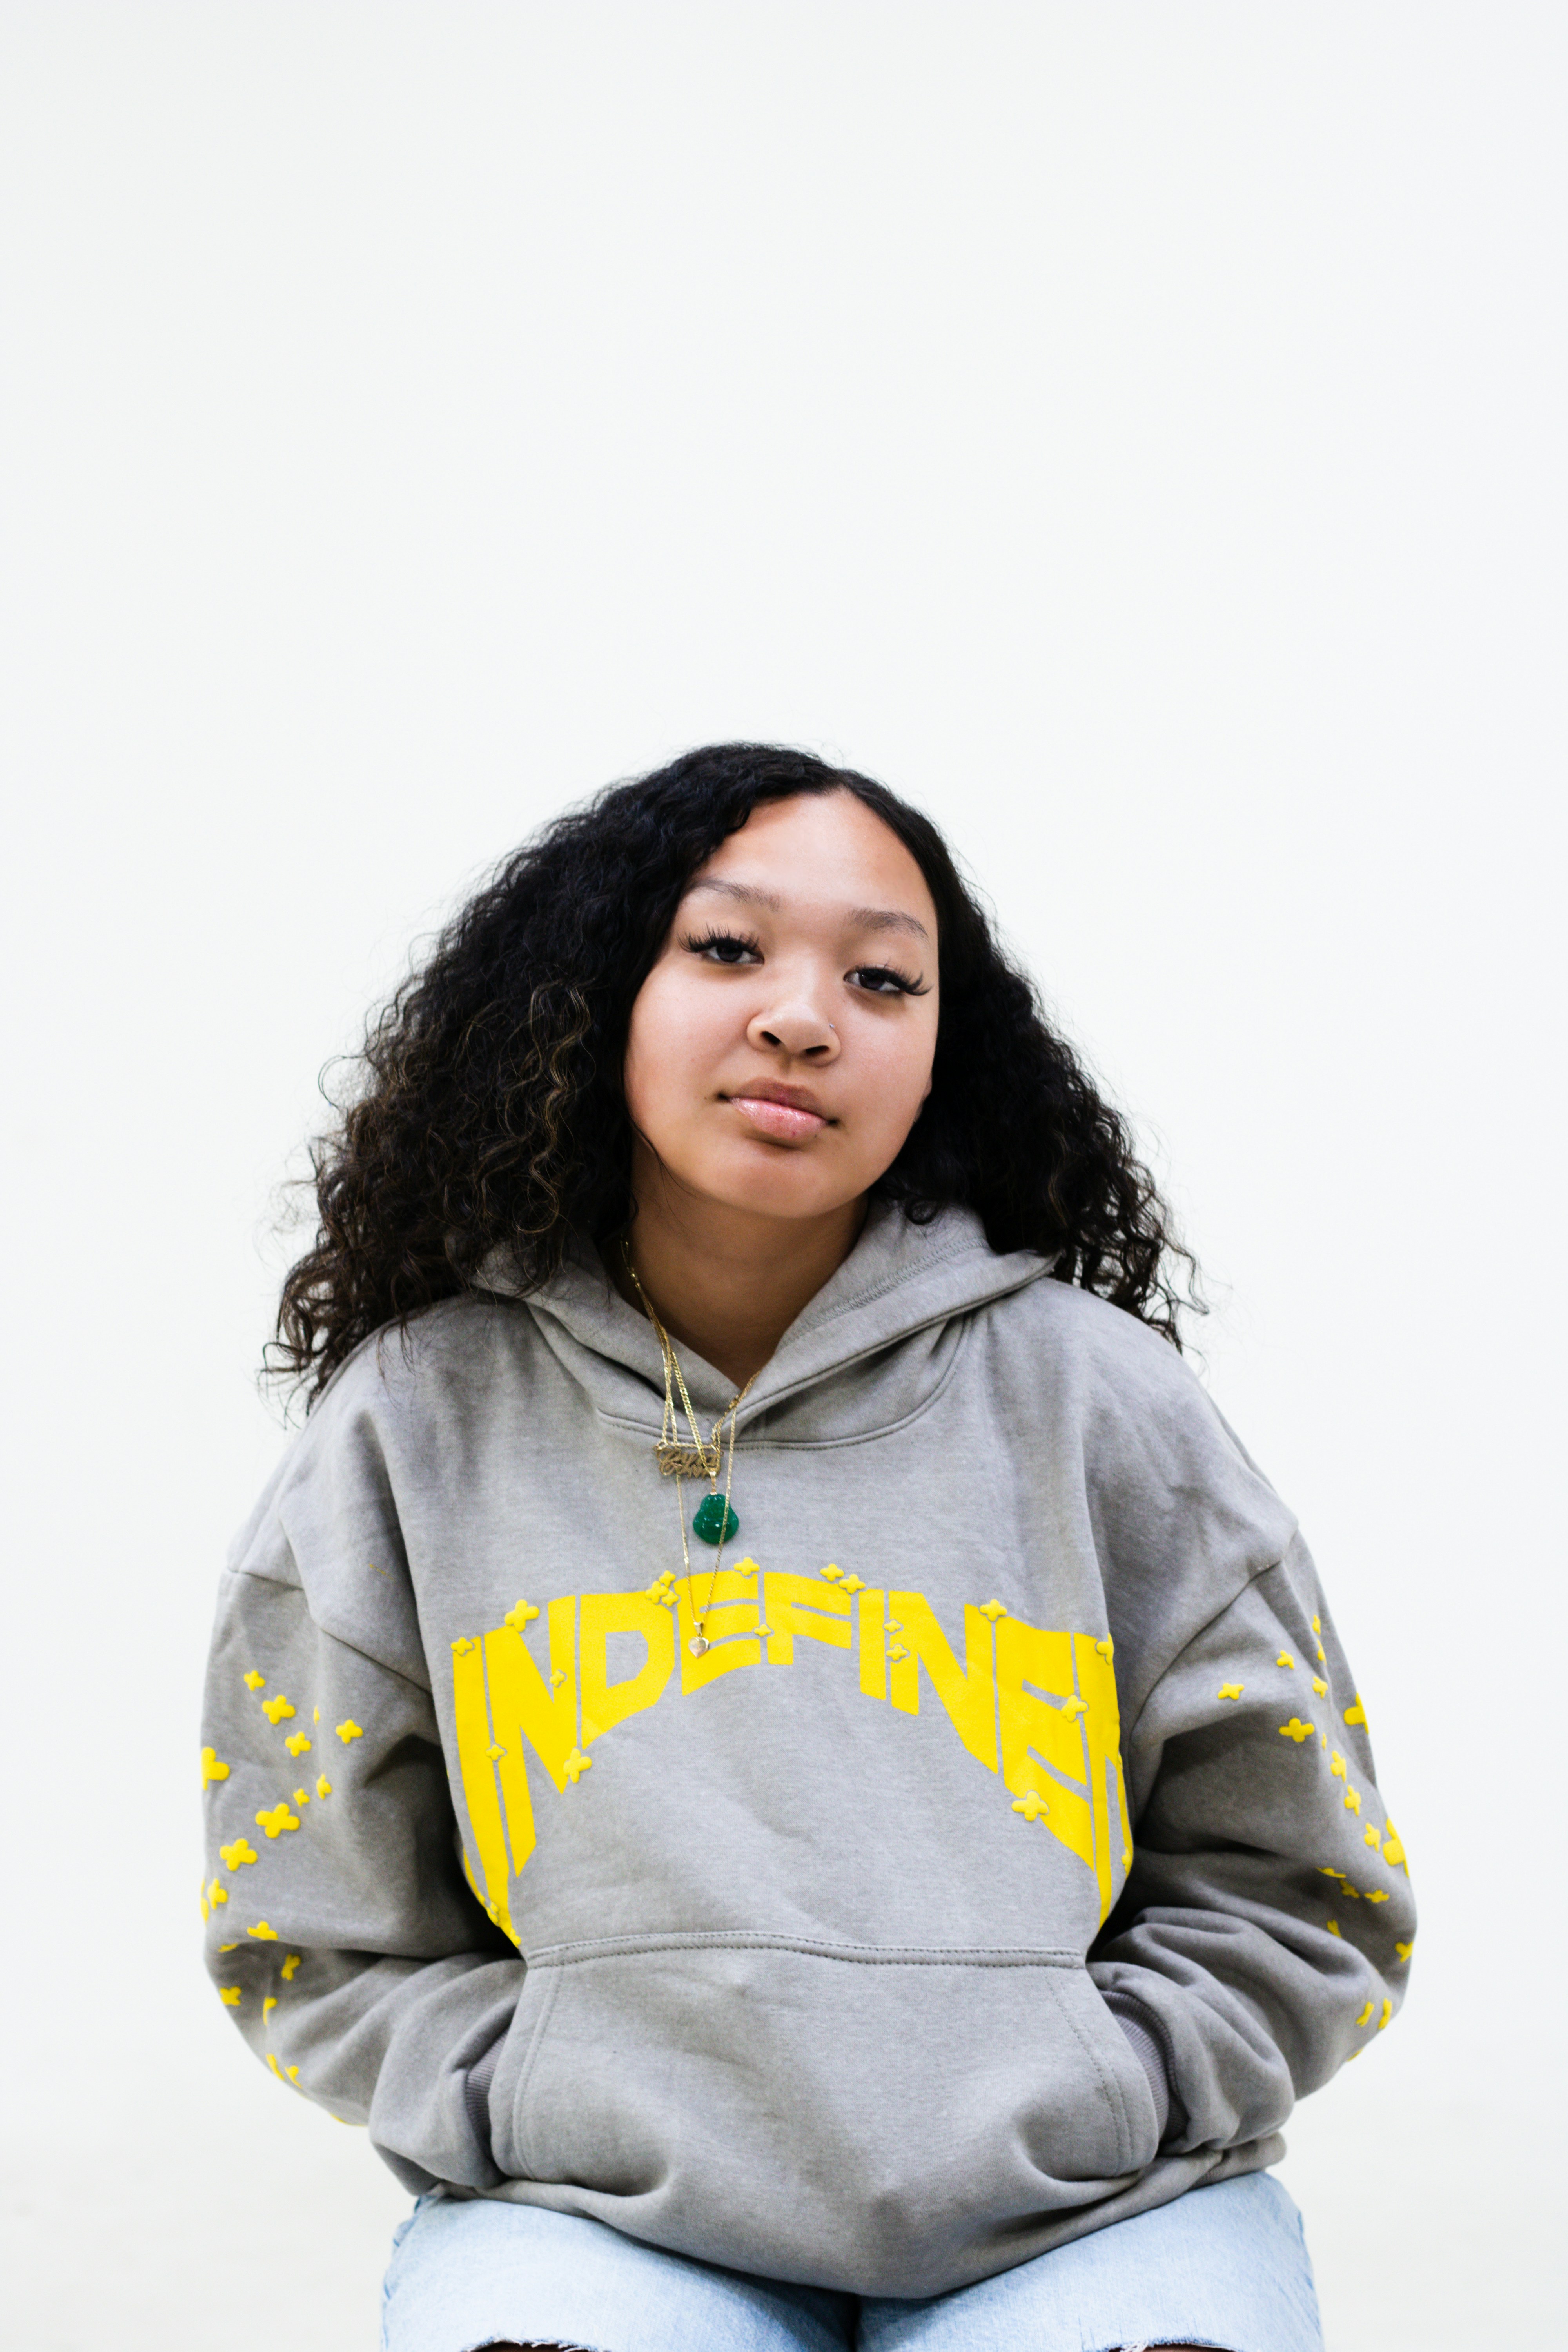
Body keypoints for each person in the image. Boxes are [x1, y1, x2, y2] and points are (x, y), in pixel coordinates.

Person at [200, 744, 1414, 2352]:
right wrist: (527, 2100)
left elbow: (1301, 1879)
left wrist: (1122, 2084)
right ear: (591, 997)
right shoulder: (413, 1422)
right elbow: (313, 1915)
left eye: (880, 979)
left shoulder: (1100, 1403)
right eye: (725, 948)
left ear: (937, 1058)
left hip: (1085, 2220)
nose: (800, 1014)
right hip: (606, 2221)